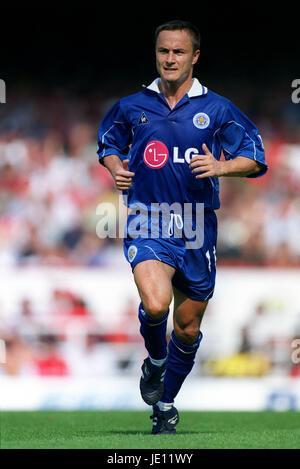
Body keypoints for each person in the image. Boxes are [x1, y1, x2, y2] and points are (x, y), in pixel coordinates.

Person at [97, 20, 268, 434]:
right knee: (156, 305)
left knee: (188, 329)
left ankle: (166, 403)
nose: (169, 59)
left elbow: (256, 156)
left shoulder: (218, 109)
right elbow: (107, 144)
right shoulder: (132, 105)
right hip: (148, 218)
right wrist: (117, 168)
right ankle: (155, 360)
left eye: (177, 52)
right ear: (155, 54)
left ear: (194, 57)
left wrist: (222, 166)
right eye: (163, 51)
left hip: (197, 227)